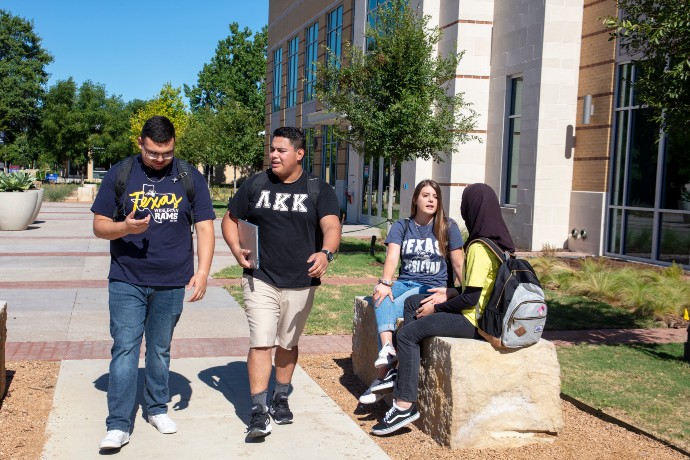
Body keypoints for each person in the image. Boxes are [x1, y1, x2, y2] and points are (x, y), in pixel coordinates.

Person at [91, 115, 216, 450]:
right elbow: (100, 226)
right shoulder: (121, 174)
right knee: (125, 349)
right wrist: (125, 228)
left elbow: (204, 226)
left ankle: (156, 407)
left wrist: (202, 271)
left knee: (159, 350)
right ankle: (118, 424)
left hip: (172, 280)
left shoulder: (189, 176)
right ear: (140, 144)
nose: (160, 160)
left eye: (167, 153)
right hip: (126, 279)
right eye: (153, 153)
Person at [222, 126, 341, 438]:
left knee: (287, 343)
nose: (273, 155)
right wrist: (237, 250)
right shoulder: (256, 184)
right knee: (261, 340)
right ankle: (258, 411)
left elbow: (331, 224)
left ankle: (281, 396)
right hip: (260, 277)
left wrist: (326, 253)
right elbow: (230, 220)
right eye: (272, 149)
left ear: (299, 154)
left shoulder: (318, 189)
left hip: (301, 280)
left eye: (281, 150)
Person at [371, 183, 515, 436]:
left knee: (407, 334)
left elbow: (471, 298)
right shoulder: (498, 242)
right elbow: (477, 289)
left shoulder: (479, 248)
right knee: (411, 303)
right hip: (480, 309)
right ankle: (400, 367)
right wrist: (448, 292)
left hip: (475, 320)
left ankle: (404, 405)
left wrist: (439, 306)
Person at [358, 179, 464, 405]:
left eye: (435, 196)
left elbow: (458, 264)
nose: (431, 200)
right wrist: (385, 282)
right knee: (381, 295)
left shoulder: (448, 226)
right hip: (405, 284)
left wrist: (463, 292)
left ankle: (382, 376)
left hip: (431, 288)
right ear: (415, 199)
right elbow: (392, 257)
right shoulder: (402, 226)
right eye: (425, 195)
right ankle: (387, 348)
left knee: (392, 298)